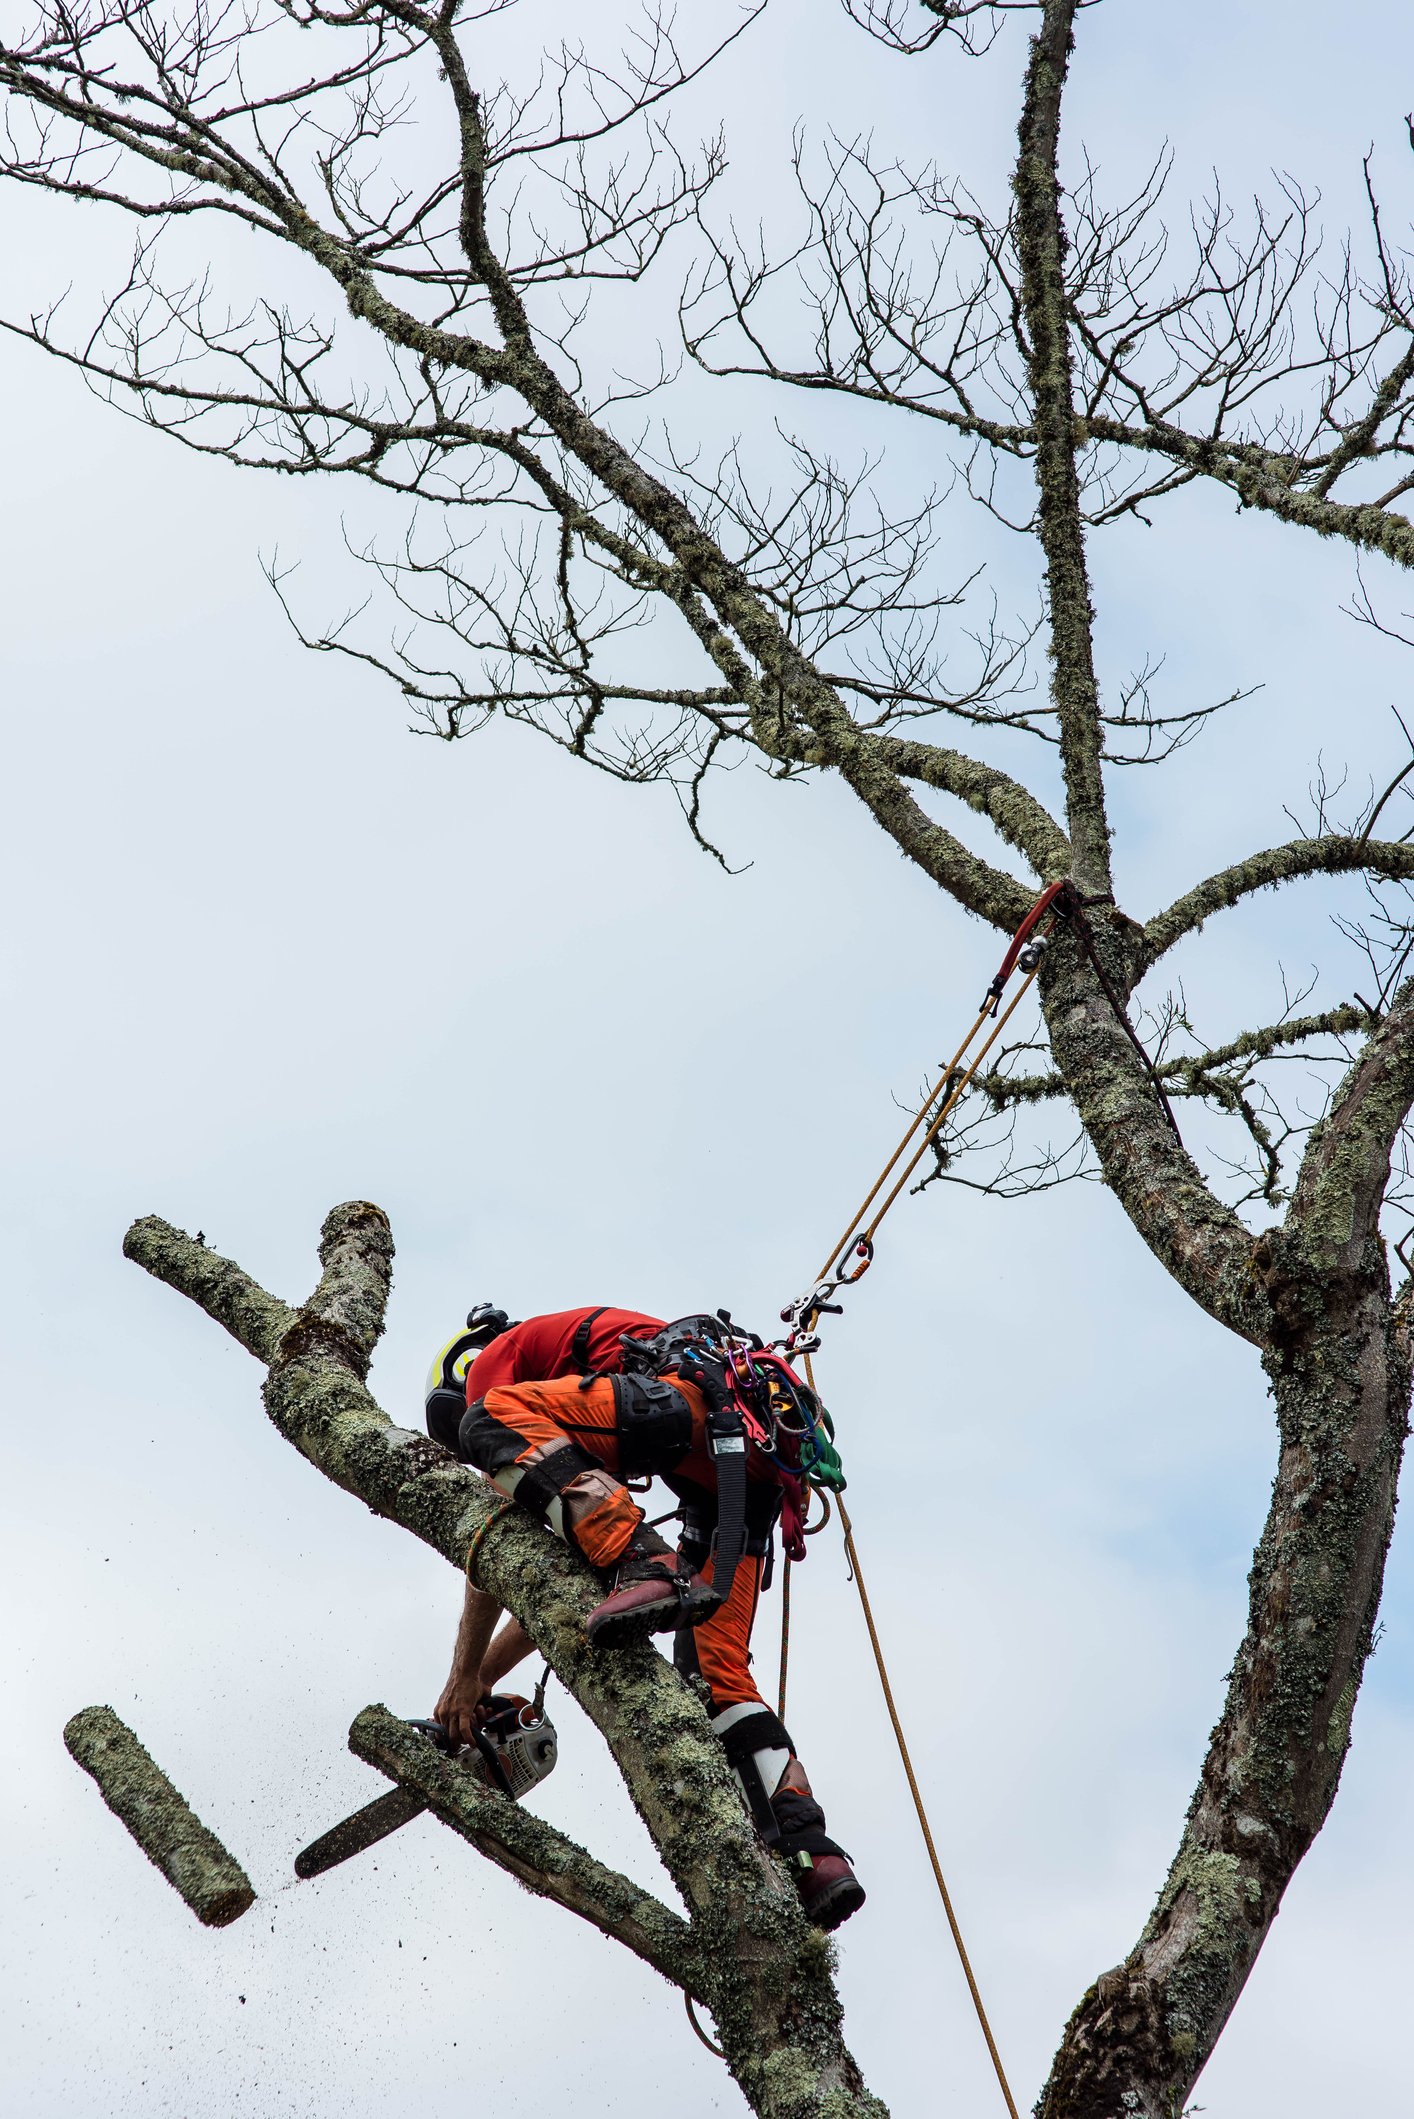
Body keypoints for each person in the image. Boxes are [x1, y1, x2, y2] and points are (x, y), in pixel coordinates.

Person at [424, 1302, 866, 1931]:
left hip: (688, 1414)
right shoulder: (575, 1426)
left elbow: (500, 1543)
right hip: (740, 1463)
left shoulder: (493, 1369)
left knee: (489, 1421)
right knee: (715, 1681)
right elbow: (583, 1553)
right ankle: (808, 1850)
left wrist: (463, 1677)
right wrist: (483, 1680)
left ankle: (650, 1565)